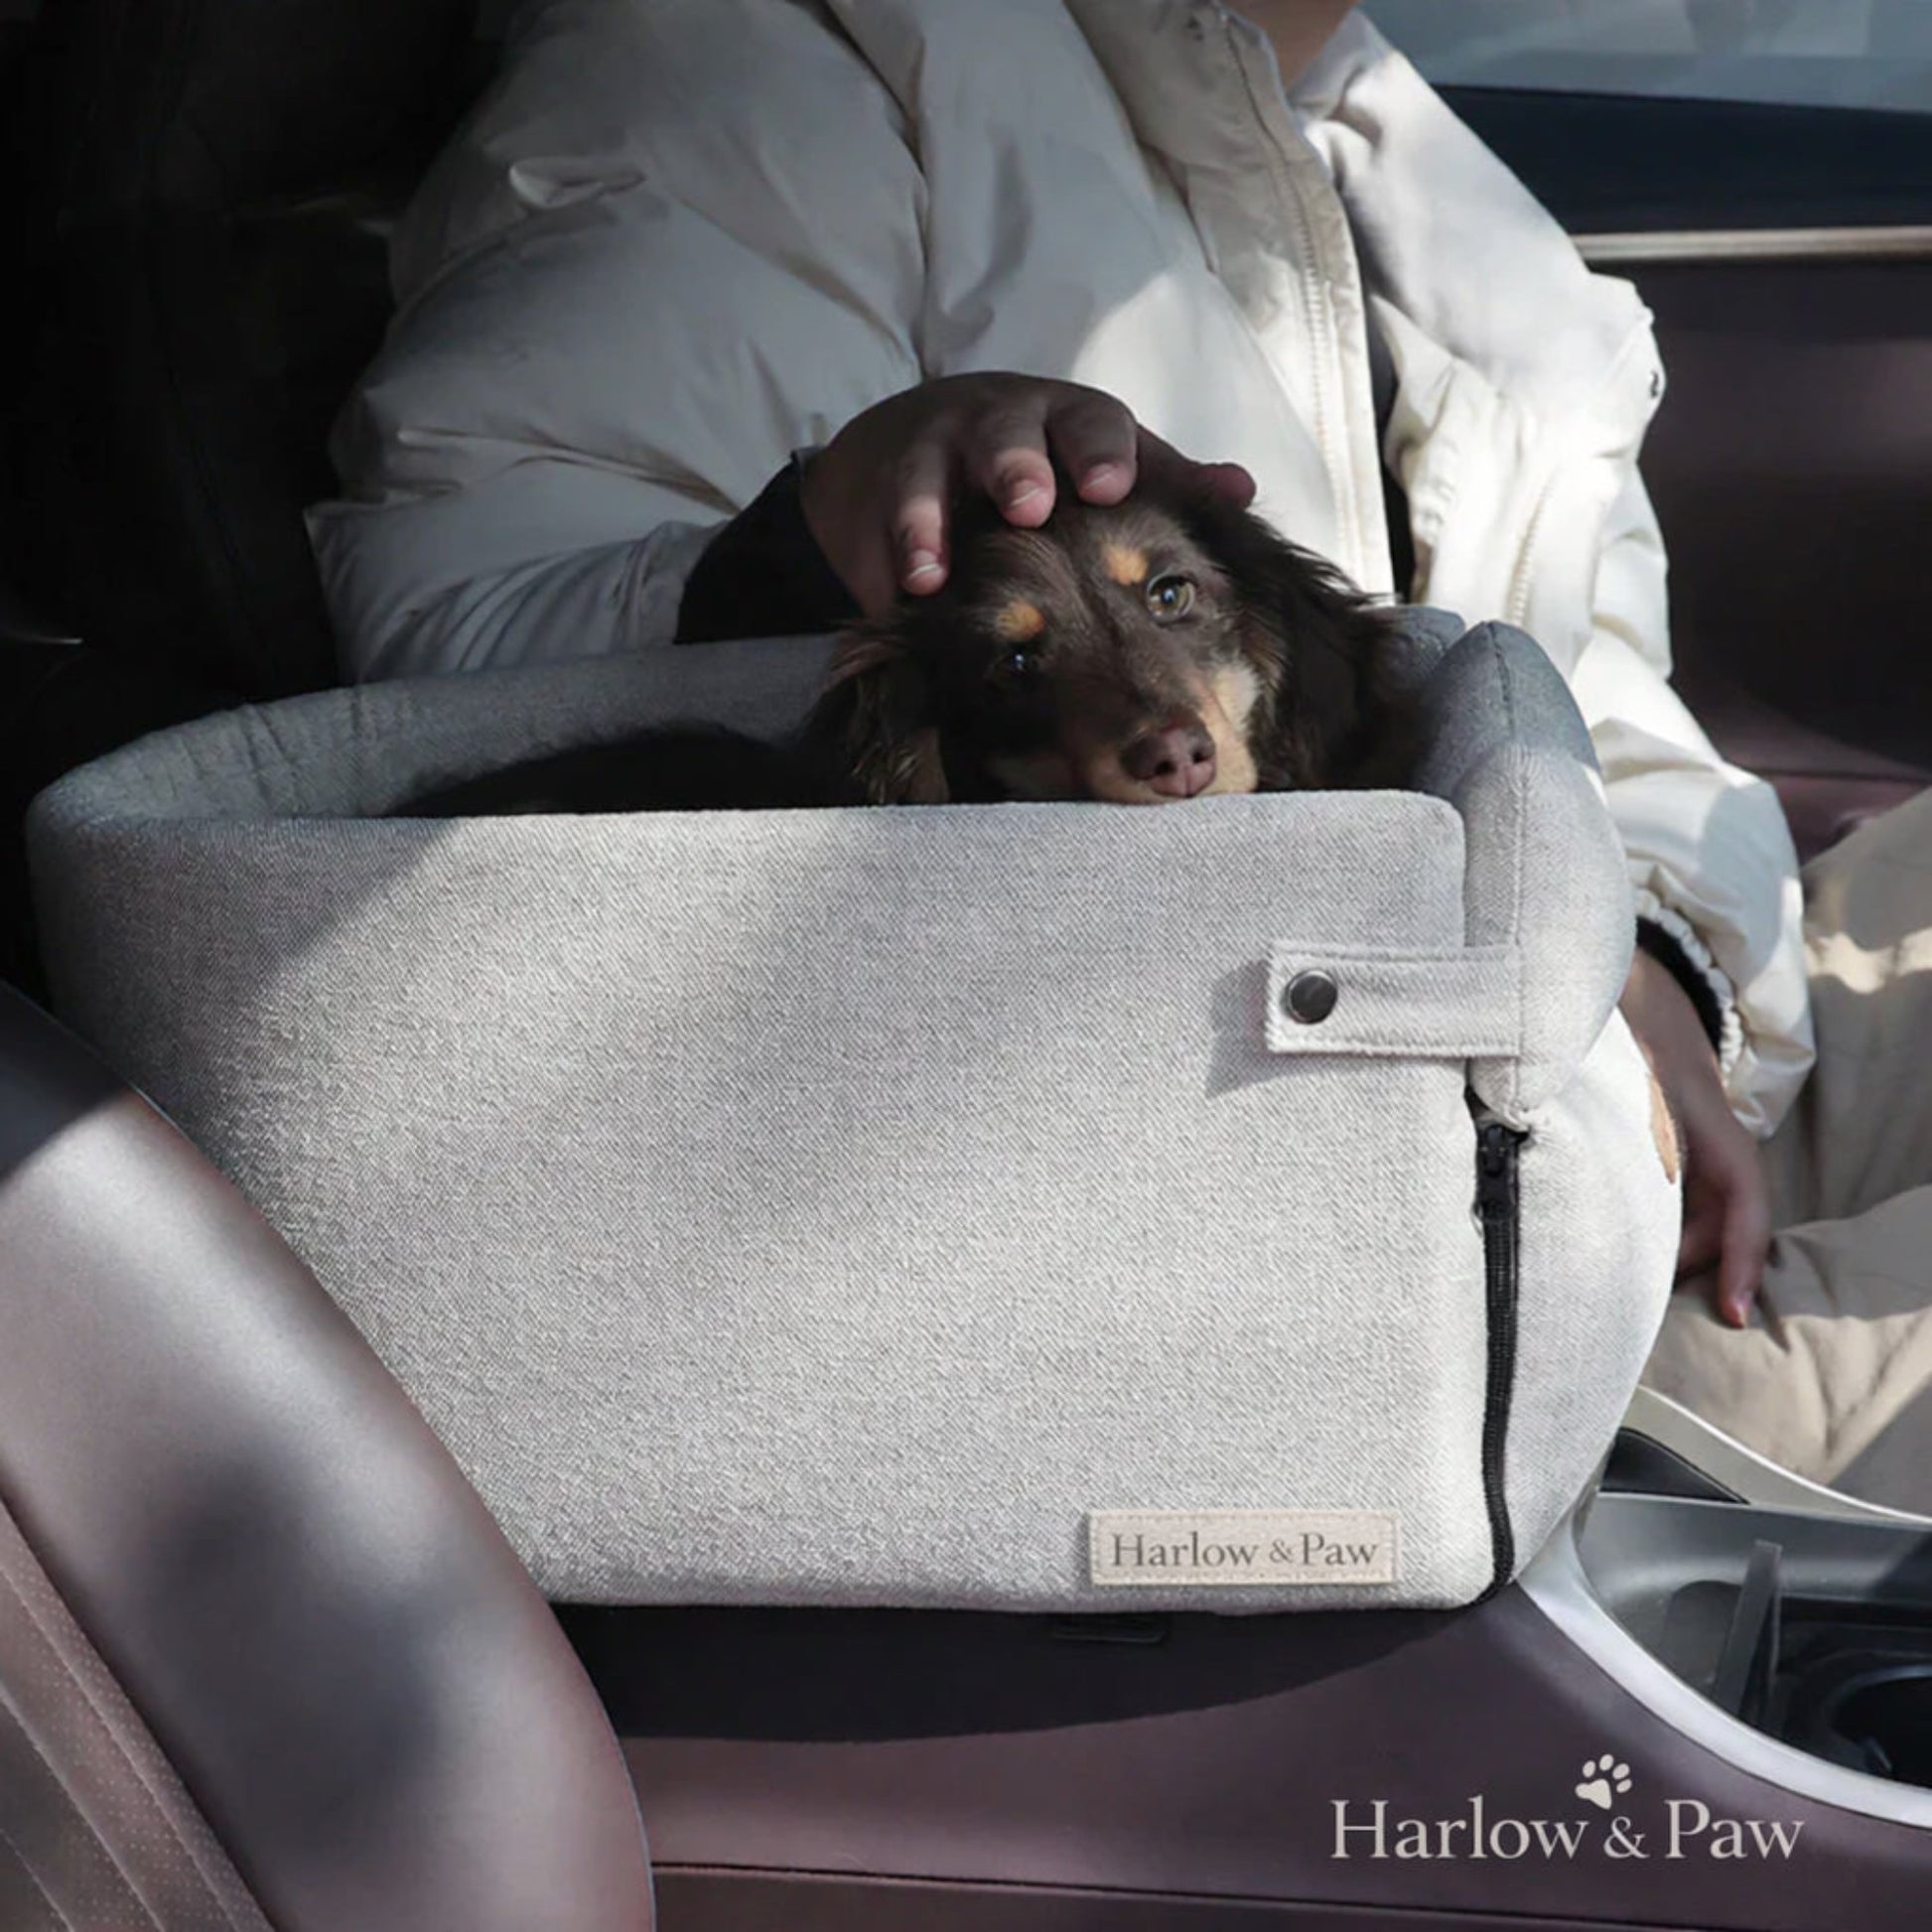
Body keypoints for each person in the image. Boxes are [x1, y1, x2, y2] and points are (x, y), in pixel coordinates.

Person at [306, 0, 1931, 1507]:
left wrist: (1654, 953)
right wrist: (808, 540)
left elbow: (1603, 701)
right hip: (1335, 1244)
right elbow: (463, 647)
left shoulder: (1367, 139)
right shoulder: (745, 71)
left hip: (1618, 1056)